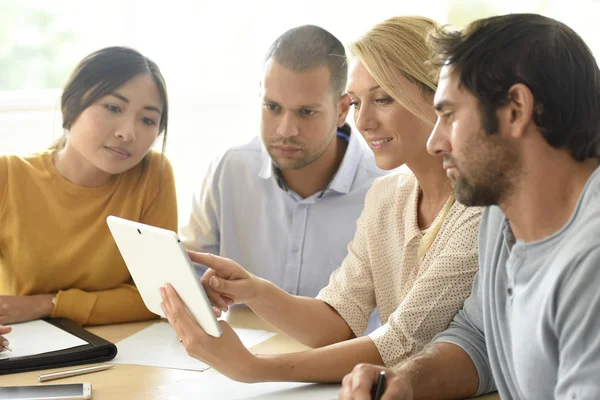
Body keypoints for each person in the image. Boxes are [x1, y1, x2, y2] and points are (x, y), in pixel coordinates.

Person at [160, 16, 482, 383]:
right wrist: (254, 290)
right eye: (359, 103)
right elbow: (339, 320)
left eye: (383, 99)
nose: (364, 122)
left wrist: (253, 368)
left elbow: (402, 343)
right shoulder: (388, 196)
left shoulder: (479, 208)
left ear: (438, 97)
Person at [339, 13, 600, 400]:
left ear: (515, 110)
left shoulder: (590, 262)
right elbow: (477, 337)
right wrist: (406, 381)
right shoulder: (500, 215)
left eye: (448, 115)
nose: (435, 142)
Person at [179, 25, 384, 299]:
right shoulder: (229, 170)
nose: (286, 130)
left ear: (342, 109)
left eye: (306, 112)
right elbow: (186, 273)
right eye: (272, 107)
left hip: (341, 343)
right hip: (237, 341)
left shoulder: (385, 188)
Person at [0, 46, 177, 327]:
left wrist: (48, 304)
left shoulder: (153, 174)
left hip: (119, 348)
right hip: (20, 346)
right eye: (113, 108)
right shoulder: (8, 175)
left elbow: (164, 295)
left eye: (147, 120)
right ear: (72, 104)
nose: (128, 133)